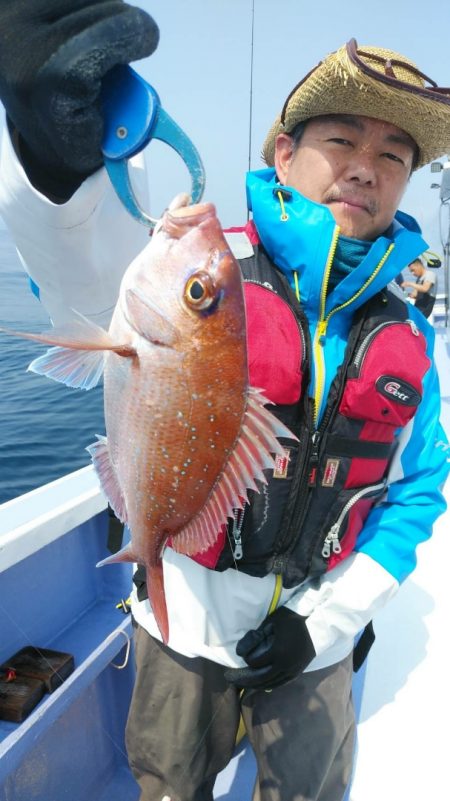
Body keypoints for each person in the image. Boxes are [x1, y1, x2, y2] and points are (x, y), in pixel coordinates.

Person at [0, 5, 449, 800]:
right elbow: (86, 272)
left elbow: (416, 492)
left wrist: (329, 621)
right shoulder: (210, 279)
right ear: (284, 153)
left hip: (314, 641)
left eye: (393, 154)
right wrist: (54, 163)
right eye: (341, 140)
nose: (365, 168)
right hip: (184, 625)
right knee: (168, 784)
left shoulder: (409, 339)